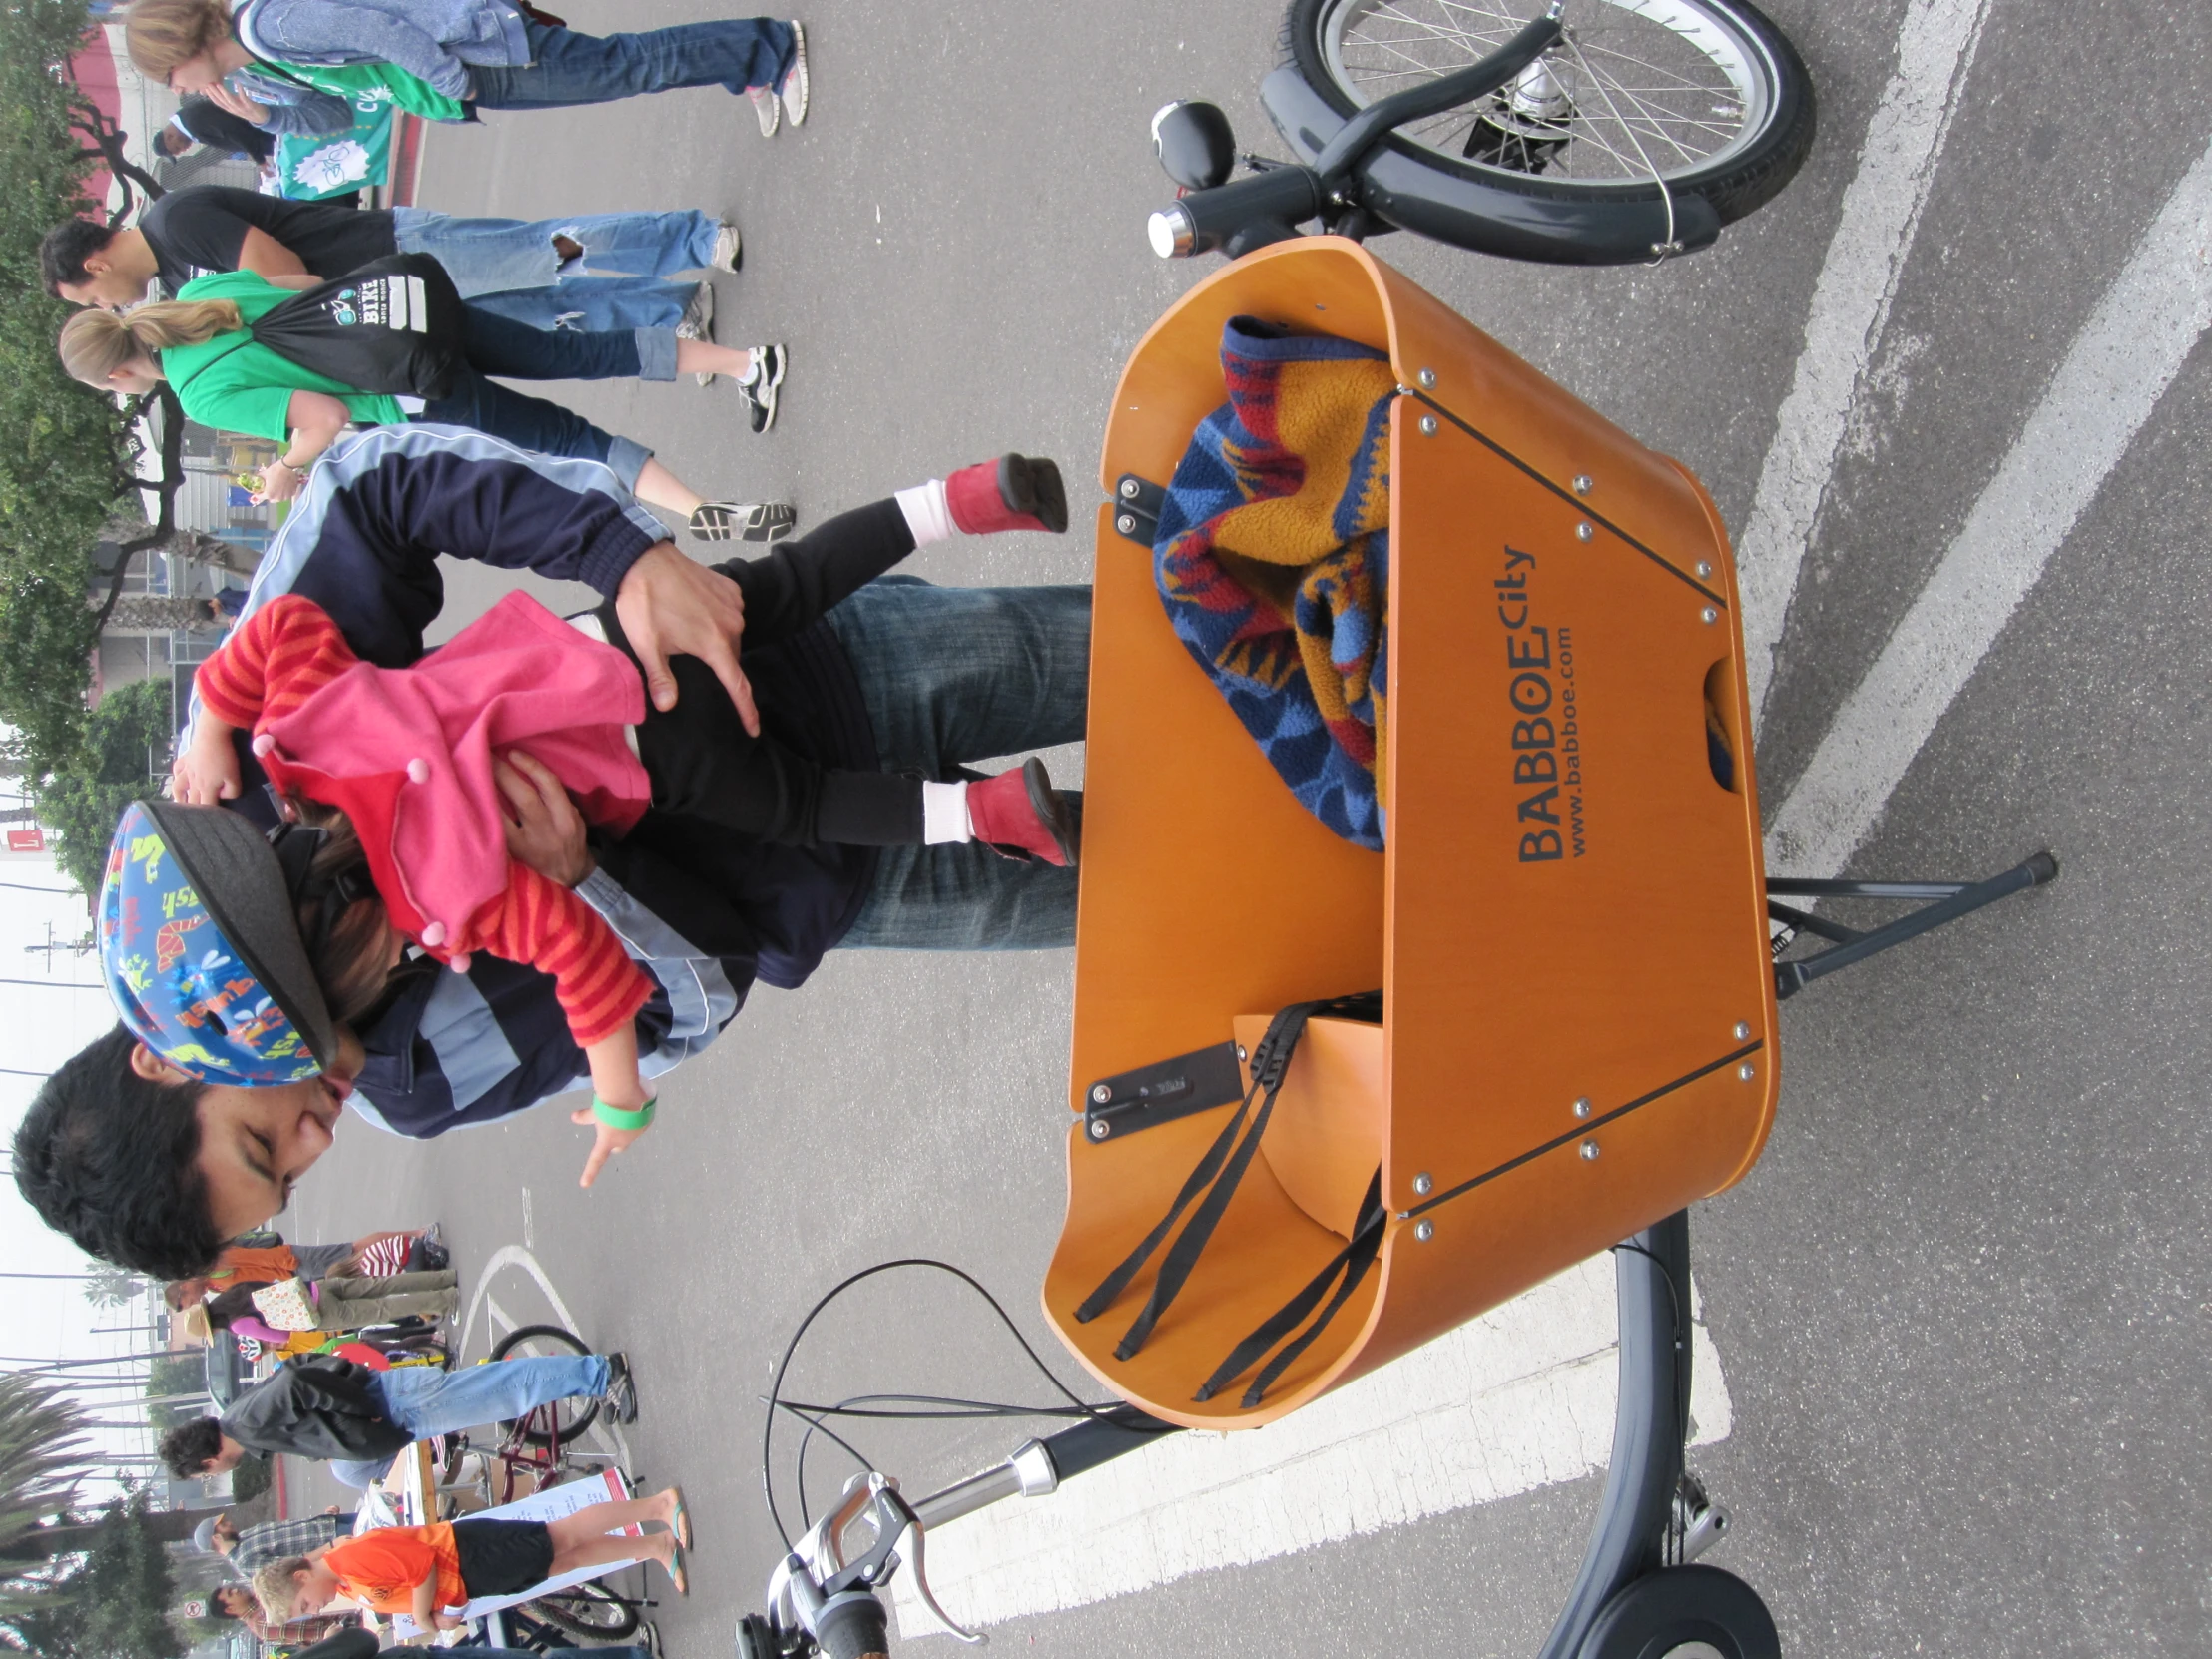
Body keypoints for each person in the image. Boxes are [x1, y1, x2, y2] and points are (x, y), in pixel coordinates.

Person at [12, 422, 1088, 1276]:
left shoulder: (249, 788)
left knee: (1194, 636)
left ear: (169, 1058)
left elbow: (368, 485)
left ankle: (963, 504)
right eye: (288, 1181)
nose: (316, 1142)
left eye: (262, 1144)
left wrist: (619, 553)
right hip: (869, 881)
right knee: (1177, 883)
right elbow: (695, 1001)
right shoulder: (421, 1081)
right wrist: (587, 882)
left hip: (810, 660)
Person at [56, 280, 792, 527]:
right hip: (409, 316)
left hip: (408, 387)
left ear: (120, 377)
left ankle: (705, 513)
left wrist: (287, 469)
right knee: (574, 351)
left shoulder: (199, 391)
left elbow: (326, 417)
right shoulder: (195, 299)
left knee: (568, 439)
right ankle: (745, 365)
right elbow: (298, 281)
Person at [40, 184, 739, 336]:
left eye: (91, 299)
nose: (109, 309)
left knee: (549, 250)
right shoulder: (169, 261)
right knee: (543, 307)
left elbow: (278, 264)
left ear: (93, 268)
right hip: (392, 281)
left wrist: (282, 317)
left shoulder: (174, 223)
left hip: (392, 250)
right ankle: (673, 310)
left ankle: (692, 238)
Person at [124, 0, 807, 140]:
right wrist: (264, 116)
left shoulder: (273, 25)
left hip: (473, 52)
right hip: (469, 63)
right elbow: (337, 113)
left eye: (169, 77)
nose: (180, 91)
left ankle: (765, 49)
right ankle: (744, 62)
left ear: (181, 50)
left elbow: (378, 29)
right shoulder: (258, 55)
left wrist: (456, 83)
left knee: (622, 68)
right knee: (621, 69)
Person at [158, 1346, 636, 1489]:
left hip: (393, 1404)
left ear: (206, 1462)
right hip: (394, 1408)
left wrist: (366, 1416)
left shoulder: (245, 1423)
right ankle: (594, 1378)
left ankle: (600, 1374)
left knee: (506, 1391)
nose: (213, 1477)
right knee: (502, 1394)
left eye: (204, 1476)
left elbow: (296, 1383)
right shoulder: (245, 1425)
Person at [260, 1485, 691, 1626]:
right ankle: (653, 1547)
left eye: (304, 1604)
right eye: (305, 1613)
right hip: (469, 1577)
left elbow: (421, 1566)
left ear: (300, 1578)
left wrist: (426, 1619)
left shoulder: (350, 1563)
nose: (314, 1609)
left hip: (466, 1555)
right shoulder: (344, 1583)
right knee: (564, 1561)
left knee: (563, 1536)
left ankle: (657, 1507)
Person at [203, 1269, 461, 1336]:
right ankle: (443, 1279)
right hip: (314, 1287)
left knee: (384, 1309)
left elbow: (280, 1337)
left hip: (320, 1314)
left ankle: (446, 1300)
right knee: (384, 1284)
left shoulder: (238, 1325)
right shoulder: (237, 1291)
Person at [194, 1508, 354, 1571]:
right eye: (222, 1525)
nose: (228, 1523)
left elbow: (291, 1529)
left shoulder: (243, 1535)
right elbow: (296, 1563)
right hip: (334, 1540)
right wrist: (331, 1545)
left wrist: (325, 1514)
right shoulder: (244, 1562)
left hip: (329, 1523)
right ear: (216, 1537)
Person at [209, 1581, 358, 1644]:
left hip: (348, 1599)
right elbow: (319, 1631)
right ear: (230, 1609)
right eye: (230, 1594)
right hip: (353, 1619)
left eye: (231, 1588)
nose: (236, 1590)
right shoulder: (262, 1623)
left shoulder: (261, 1598)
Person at [161, 96, 277, 164]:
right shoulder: (189, 122)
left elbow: (234, 130)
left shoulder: (193, 122)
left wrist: (259, 158)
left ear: (169, 136)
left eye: (177, 147)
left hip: (268, 131)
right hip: (267, 131)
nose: (183, 149)